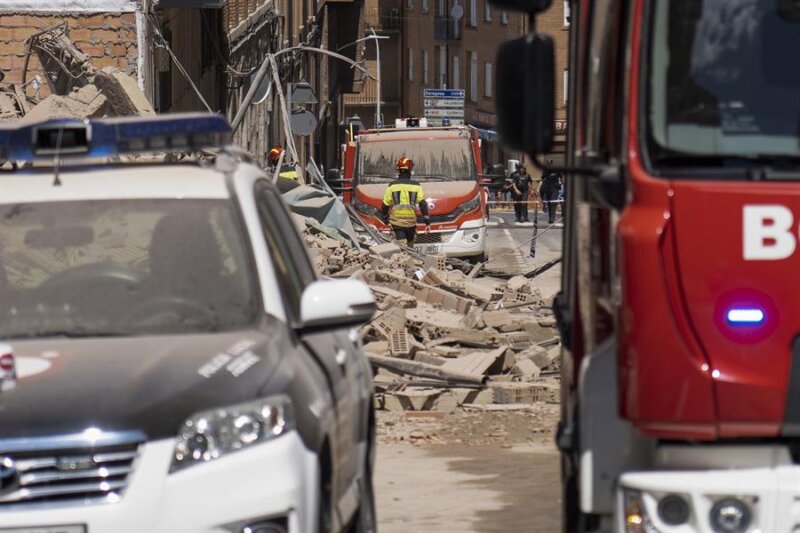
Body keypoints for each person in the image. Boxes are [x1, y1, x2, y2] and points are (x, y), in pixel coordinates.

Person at [381, 157, 430, 246]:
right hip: (411, 224)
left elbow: (385, 205)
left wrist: (385, 219)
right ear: (410, 170)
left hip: (397, 224)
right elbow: (423, 204)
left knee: (401, 249)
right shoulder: (416, 186)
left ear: (398, 170)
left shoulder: (392, 186)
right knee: (410, 249)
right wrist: (427, 221)